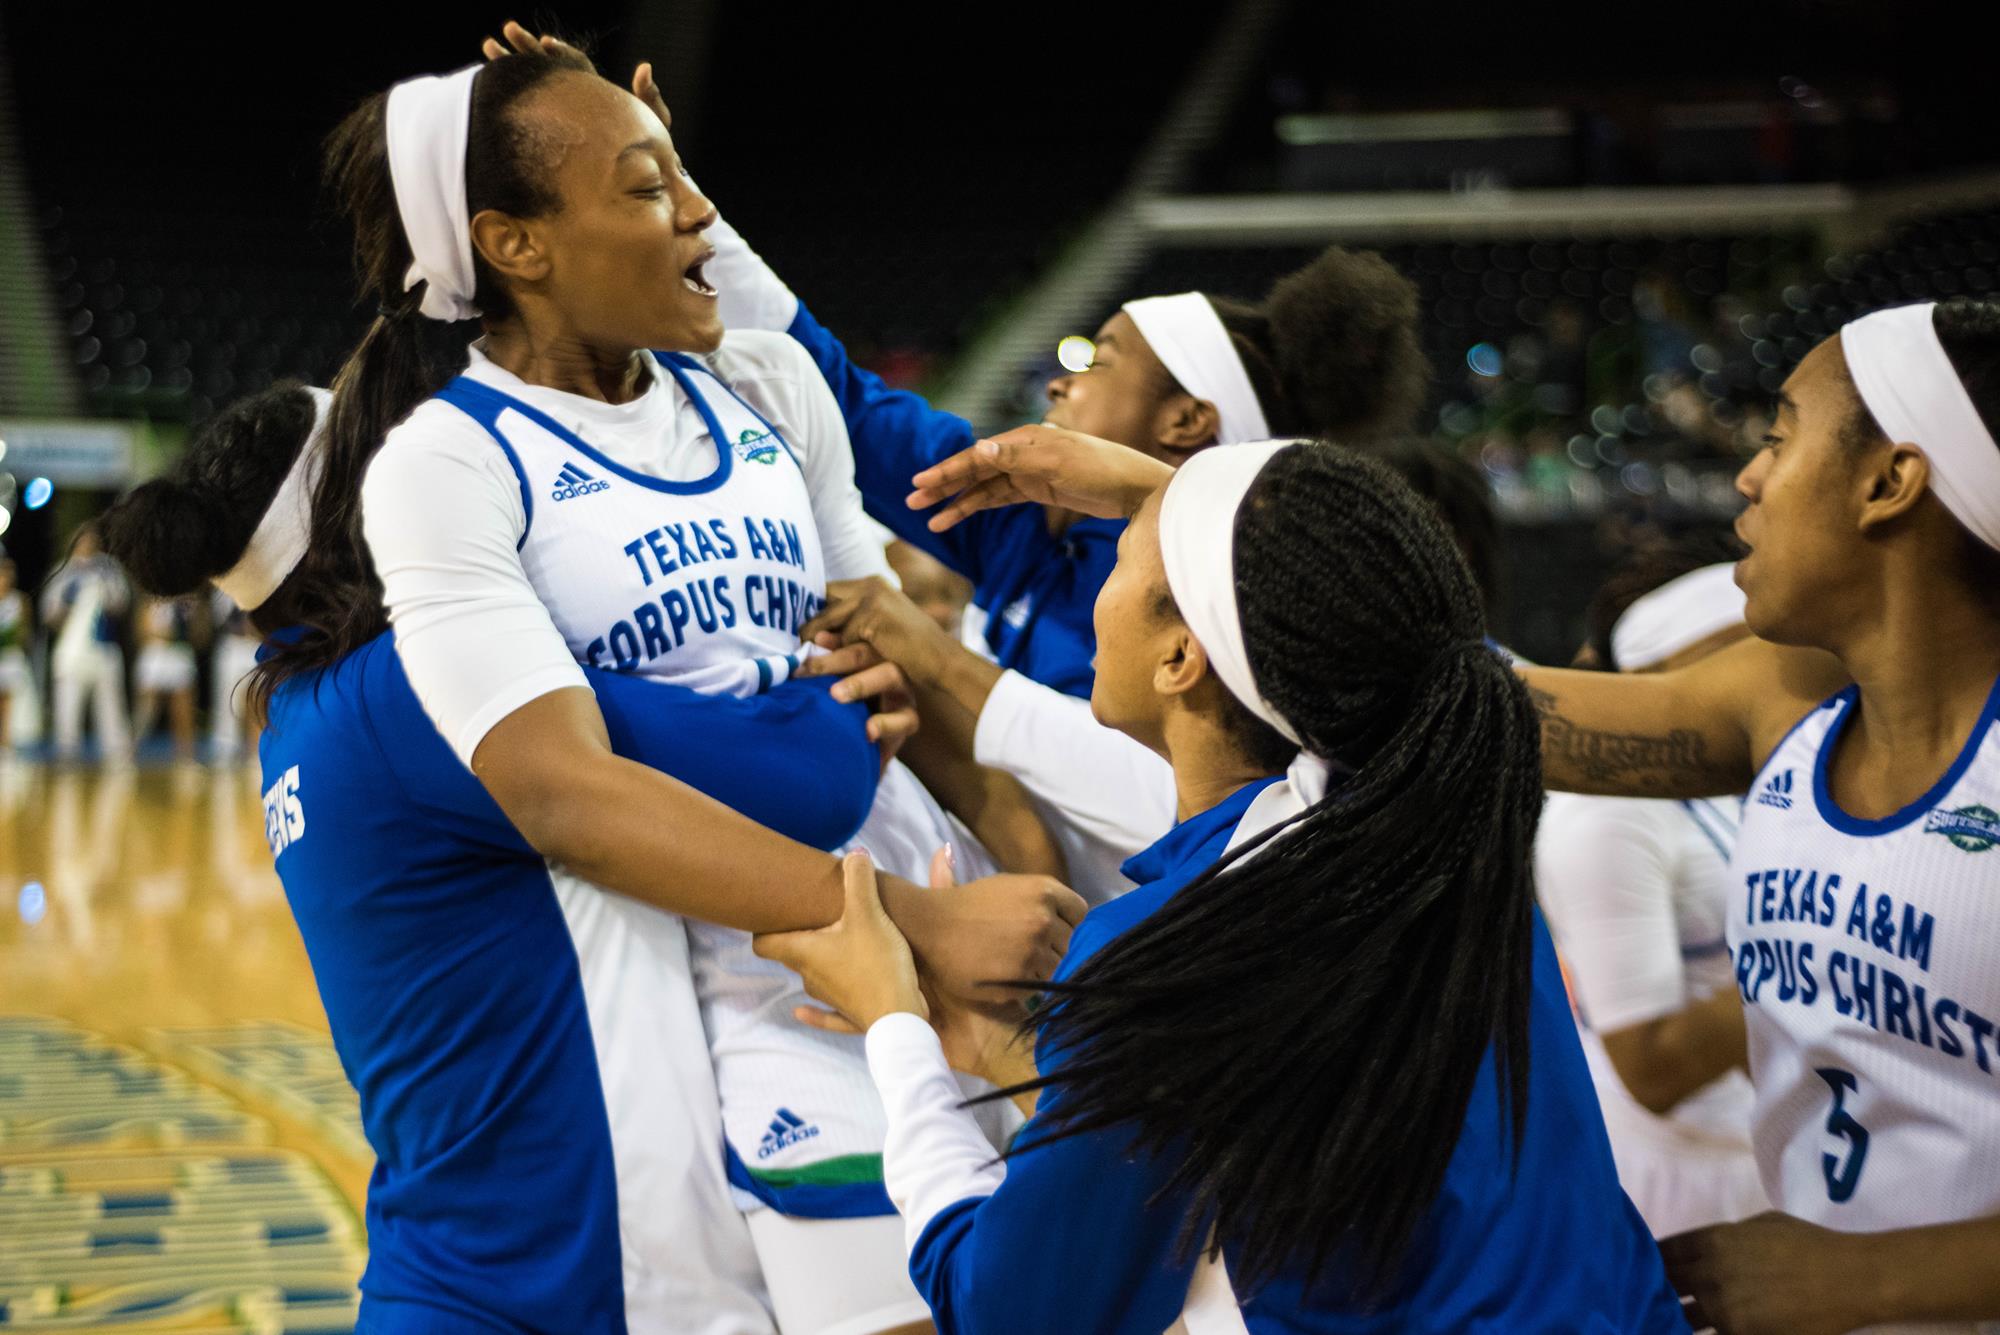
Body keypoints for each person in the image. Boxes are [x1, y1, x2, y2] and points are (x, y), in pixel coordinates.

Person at [924, 298, 2000, 1334]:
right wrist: (1182, 504)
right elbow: (1389, 677)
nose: (1747, 474)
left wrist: (1869, 1274)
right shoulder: (1777, 706)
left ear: (1890, 481)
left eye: (1781, 434)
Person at [291, 36, 1077, 1334]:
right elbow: (563, 792)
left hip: (950, 938)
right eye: (649, 186)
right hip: (761, 989)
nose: (700, 212)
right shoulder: (449, 467)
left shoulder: (765, 386)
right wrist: (903, 927)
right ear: (519, 244)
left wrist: (1014, 860)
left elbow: (890, 656)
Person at [98, 377, 1076, 1335]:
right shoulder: (410, 692)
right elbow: (797, 775)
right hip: (542, 1283)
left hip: (476, 1266)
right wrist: (844, 688)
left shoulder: (312, 716)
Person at [758, 441, 1684, 1333]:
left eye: (1117, 561)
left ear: (1180, 658)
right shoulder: (1439, 832)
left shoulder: (1194, 935)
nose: (1098, 596)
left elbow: (1012, 1307)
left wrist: (897, 1029)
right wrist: (1036, 1065)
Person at [1537, 550, 1770, 1238]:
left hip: (1755, 1149)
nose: (1766, 677)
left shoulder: (1761, 774)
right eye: (1735, 657)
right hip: (1675, 1178)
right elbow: (1652, 1066)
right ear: (1652, 684)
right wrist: (1811, 970)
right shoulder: (1608, 814)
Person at [39, 522, 131, 765]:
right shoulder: (63, 571)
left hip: (104, 648)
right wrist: (69, 600)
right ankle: (67, 753)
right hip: (72, 651)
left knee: (111, 705)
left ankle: (116, 755)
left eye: (91, 539)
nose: (87, 544)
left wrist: (102, 589)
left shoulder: (109, 569)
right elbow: (48, 614)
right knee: (68, 706)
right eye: (82, 539)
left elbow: (121, 603)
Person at [132, 596, 199, 763]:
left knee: (182, 707)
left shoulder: (187, 600)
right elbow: (141, 629)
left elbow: (199, 632)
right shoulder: (151, 597)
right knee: (147, 706)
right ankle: (130, 751)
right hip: (156, 653)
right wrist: (163, 633)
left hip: (179, 652)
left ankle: (185, 756)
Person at [207, 588, 263, 763]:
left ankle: (256, 750)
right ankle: (226, 748)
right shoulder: (223, 588)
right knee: (227, 700)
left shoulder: (261, 583)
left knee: (257, 697)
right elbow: (219, 618)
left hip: (256, 644)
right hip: (232, 644)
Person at [0, 556, 31, 756]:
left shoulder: (19, 601)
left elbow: (24, 631)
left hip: (9, 657)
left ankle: (6, 743)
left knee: (8, 701)